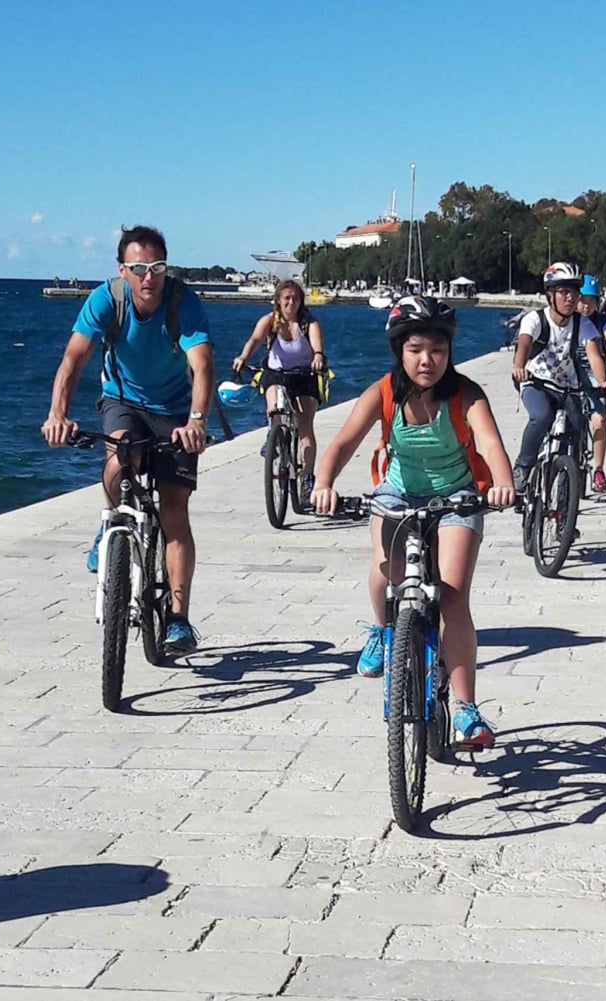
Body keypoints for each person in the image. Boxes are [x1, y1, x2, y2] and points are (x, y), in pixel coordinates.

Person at [311, 297, 516, 747]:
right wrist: (323, 482)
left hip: (457, 497)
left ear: (450, 353)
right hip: (398, 492)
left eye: (438, 350)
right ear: (399, 351)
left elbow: (489, 442)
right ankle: (387, 632)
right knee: (386, 567)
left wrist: (502, 483)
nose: (427, 360)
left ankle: (465, 707)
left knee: (453, 597)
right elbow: (344, 443)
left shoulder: (467, 395)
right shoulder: (383, 392)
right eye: (416, 349)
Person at [42, 225, 213, 654]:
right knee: (120, 455)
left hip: (174, 409)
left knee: (174, 511)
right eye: (138, 268)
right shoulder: (106, 299)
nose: (148, 276)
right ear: (123, 270)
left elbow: (203, 365)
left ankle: (178, 619)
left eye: (156, 267)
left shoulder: (180, 302)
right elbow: (73, 359)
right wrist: (57, 414)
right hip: (122, 399)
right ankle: (111, 523)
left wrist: (195, 421)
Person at [510, 263, 606, 491]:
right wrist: (519, 367)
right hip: (535, 382)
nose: (570, 298)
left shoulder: (582, 324)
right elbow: (524, 344)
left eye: (574, 292)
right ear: (550, 295)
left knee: (577, 426)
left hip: (566, 386)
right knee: (541, 417)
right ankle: (523, 466)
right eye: (563, 292)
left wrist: (603, 382)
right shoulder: (535, 319)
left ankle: (566, 496)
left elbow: (593, 354)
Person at [231, 280, 327, 493]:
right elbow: (255, 339)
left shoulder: (309, 323)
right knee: (274, 408)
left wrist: (318, 357)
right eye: (287, 298)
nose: (291, 303)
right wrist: (243, 357)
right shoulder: (269, 321)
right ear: (278, 301)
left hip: (304, 375)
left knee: (305, 428)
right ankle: (273, 435)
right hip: (277, 374)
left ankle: (308, 476)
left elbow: (318, 347)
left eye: (295, 298)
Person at [575, 275, 606, 493]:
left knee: (599, 420)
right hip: (569, 372)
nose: (586, 305)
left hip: (594, 374)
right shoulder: (568, 320)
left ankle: (598, 469)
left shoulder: (601, 320)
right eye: (582, 300)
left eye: (591, 300)